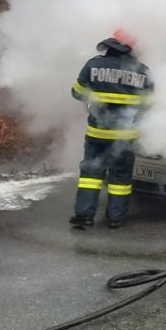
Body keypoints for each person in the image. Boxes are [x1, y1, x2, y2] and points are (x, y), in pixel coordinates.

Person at [69, 30, 153, 230]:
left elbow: (77, 93)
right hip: (125, 137)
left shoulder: (93, 65)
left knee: (90, 175)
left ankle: (84, 216)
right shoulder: (142, 71)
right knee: (120, 179)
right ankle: (115, 219)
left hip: (97, 133)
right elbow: (149, 104)